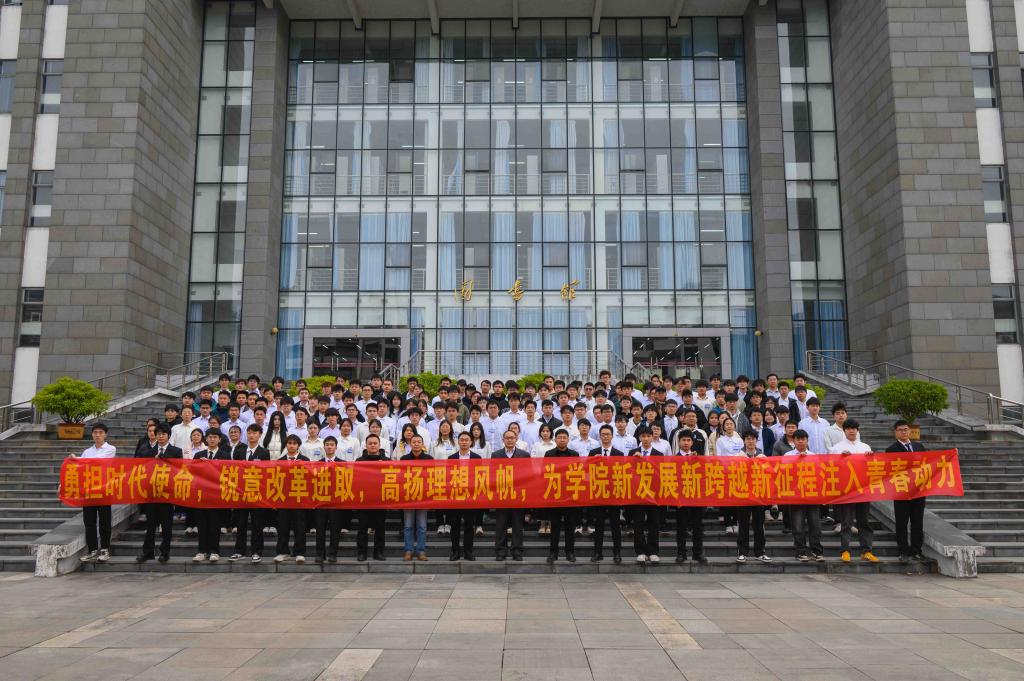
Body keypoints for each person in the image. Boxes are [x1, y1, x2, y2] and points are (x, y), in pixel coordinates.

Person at [828, 419, 878, 563]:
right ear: (844, 431)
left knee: (864, 522)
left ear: (857, 430)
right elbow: (831, 468)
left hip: (863, 489)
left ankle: (866, 551)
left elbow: (873, 468)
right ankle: (845, 551)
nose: (851, 431)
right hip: (847, 490)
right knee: (846, 522)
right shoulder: (837, 448)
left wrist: (871, 458)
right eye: (848, 428)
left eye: (854, 428)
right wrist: (840, 459)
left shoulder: (865, 447)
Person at [136, 424, 182, 563]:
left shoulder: (176, 451)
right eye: (159, 434)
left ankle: (164, 552)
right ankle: (147, 552)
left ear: (169, 436)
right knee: (150, 525)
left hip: (167, 494)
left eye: (163, 434)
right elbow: (142, 469)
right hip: (151, 494)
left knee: (166, 526)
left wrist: (163, 458)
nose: (161, 436)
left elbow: (178, 469)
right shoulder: (147, 451)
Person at [886, 420, 928, 564]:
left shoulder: (919, 446)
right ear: (895, 432)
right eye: (900, 430)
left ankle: (916, 550)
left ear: (910, 431)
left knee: (918, 523)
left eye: (905, 429)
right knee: (901, 523)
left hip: (918, 491)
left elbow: (928, 463)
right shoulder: (891, 449)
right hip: (901, 491)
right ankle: (903, 551)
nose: (903, 432)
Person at [75, 423, 116, 563]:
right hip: (89, 490)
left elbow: (97, 462)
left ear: (105, 434)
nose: (98, 435)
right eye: (95, 432)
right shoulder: (87, 451)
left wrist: (79, 460)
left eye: (100, 432)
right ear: (92, 434)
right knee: (89, 522)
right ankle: (92, 549)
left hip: (104, 490)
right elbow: (79, 468)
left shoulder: (110, 449)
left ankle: (105, 549)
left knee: (104, 521)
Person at [192, 429, 232, 562]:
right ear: (206, 439)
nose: (212, 439)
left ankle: (214, 551)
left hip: (217, 495)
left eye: (215, 437)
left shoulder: (225, 455)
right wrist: (200, 465)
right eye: (210, 437)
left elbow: (228, 474)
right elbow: (192, 473)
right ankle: (201, 551)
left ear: (219, 439)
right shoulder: (199, 455)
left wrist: (215, 464)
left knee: (215, 525)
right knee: (202, 524)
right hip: (202, 495)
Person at [785, 429, 825, 562]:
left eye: (803, 439)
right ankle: (800, 552)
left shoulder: (813, 456)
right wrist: (797, 460)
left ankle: (816, 551)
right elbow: (783, 473)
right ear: (793, 441)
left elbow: (819, 474)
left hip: (812, 495)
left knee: (815, 525)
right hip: (795, 496)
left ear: (807, 441)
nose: (801, 442)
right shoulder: (788, 455)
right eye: (798, 439)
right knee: (797, 526)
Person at [734, 431, 771, 563]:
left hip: (758, 495)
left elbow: (768, 473)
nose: (750, 441)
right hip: (743, 495)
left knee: (759, 525)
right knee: (743, 525)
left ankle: (760, 552)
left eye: (753, 439)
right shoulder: (738, 456)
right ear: (744, 441)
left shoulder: (762, 456)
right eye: (748, 439)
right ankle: (742, 552)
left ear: (756, 441)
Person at [492, 430, 530, 561]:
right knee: (500, 525)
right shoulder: (496, 455)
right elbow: (492, 475)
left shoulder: (524, 455)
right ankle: (500, 551)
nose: (509, 440)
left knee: (517, 525)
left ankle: (517, 551)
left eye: (512, 438)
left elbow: (528, 475)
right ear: (503, 440)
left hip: (518, 495)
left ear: (516, 439)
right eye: (507, 438)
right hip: (501, 496)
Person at [589, 425, 623, 563]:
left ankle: (617, 553)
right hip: (599, 493)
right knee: (599, 525)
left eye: (608, 434)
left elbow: (622, 474)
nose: (605, 436)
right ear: (600, 436)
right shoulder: (593, 453)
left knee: (615, 526)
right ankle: (598, 553)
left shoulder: (619, 454)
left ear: (612, 436)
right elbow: (588, 474)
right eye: (603, 434)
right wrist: (593, 462)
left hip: (614, 494)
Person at [273, 435, 309, 564]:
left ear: (298, 445)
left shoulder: (305, 460)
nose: (292, 445)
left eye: (294, 443)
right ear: (286, 445)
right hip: (284, 499)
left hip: (299, 498)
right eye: (289, 443)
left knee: (300, 527)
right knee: (283, 527)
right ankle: (283, 552)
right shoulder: (280, 461)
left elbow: (309, 480)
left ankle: (300, 552)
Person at [545, 428, 579, 563]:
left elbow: (578, 473)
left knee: (570, 527)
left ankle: (570, 552)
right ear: (555, 439)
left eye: (564, 437)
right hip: (555, 496)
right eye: (559, 437)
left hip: (570, 496)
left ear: (568, 439)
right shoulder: (549, 454)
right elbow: (545, 473)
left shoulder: (575, 454)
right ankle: (553, 553)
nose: (562, 440)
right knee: (555, 527)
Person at [628, 426, 661, 564]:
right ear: (639, 438)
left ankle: (653, 551)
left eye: (648, 436)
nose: (646, 439)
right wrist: (634, 461)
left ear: (652, 437)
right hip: (638, 494)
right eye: (643, 436)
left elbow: (660, 474)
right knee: (638, 523)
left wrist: (645, 461)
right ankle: (640, 551)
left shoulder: (659, 454)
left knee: (654, 523)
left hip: (653, 494)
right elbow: (627, 472)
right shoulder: (632, 453)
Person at [674, 431, 706, 565]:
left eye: (688, 440)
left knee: (698, 527)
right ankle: (681, 553)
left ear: (692, 443)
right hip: (681, 498)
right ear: (679, 442)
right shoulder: (674, 459)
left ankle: (697, 553)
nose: (686, 443)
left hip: (696, 497)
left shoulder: (699, 458)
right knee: (681, 528)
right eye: (683, 440)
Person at [448, 432, 481, 561]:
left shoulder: (477, 458)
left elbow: (480, 476)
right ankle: (455, 552)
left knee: (469, 526)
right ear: (458, 442)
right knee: (455, 526)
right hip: (456, 496)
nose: (464, 442)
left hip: (470, 496)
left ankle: (468, 552)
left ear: (471, 442)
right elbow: (448, 477)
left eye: (467, 440)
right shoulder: (452, 458)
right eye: (461, 440)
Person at [355, 434, 388, 561]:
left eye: (375, 443)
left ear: (379, 445)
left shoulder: (387, 460)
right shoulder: (359, 461)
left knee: (380, 527)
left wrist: (383, 467)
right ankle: (362, 553)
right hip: (364, 499)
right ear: (366, 445)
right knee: (362, 528)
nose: (373, 445)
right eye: (370, 443)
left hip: (381, 499)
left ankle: (378, 552)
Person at [400, 435, 432, 561]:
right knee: (408, 526)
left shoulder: (429, 459)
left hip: (423, 497)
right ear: (410, 444)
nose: (416, 444)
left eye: (419, 442)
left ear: (422, 444)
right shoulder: (404, 459)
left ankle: (421, 551)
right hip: (408, 496)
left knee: (422, 526)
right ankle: (408, 550)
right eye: (414, 442)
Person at [314, 437, 345, 563]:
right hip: (321, 501)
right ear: (324, 447)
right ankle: (320, 554)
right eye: (327, 444)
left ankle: (333, 554)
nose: (329, 447)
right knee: (320, 529)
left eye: (332, 445)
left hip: (336, 502)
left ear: (336, 447)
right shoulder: (317, 464)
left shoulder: (342, 464)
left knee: (335, 529)